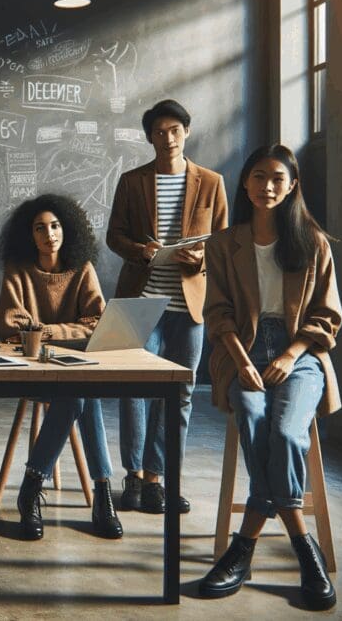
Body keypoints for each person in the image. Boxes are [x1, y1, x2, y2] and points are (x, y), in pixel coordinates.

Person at [198, 144, 342, 611]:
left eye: (279, 178)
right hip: (240, 349)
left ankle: (243, 547)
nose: (268, 186)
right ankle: (306, 547)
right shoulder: (223, 243)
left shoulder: (313, 242)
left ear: (292, 185)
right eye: (259, 177)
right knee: (254, 417)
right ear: (245, 182)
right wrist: (242, 361)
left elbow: (327, 316)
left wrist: (291, 353)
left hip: (300, 353)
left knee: (282, 431)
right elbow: (216, 314)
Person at [106, 99, 228, 514]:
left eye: (175, 130)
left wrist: (203, 260)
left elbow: (225, 242)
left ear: (187, 132)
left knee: (181, 392)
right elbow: (114, 236)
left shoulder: (211, 182)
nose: (167, 138)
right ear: (149, 137)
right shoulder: (132, 180)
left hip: (189, 306)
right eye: (159, 132)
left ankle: (160, 478)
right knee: (133, 389)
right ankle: (134, 476)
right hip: (142, 301)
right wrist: (141, 250)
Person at [0, 194, 122, 541]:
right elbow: (11, 325)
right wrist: (69, 331)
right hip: (31, 372)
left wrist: (47, 331)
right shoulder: (18, 271)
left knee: (80, 391)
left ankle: (32, 486)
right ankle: (102, 491)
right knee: (82, 392)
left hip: (73, 372)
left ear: (68, 230)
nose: (49, 234)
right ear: (29, 234)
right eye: (40, 228)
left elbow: (98, 323)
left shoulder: (83, 270)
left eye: (55, 226)